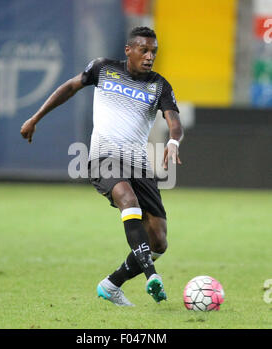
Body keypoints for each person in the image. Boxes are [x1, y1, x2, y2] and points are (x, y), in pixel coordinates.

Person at [20, 26, 184, 306]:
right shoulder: (103, 69)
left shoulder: (159, 85)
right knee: (127, 200)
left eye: (153, 52)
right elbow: (69, 87)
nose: (149, 57)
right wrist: (35, 118)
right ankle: (151, 276)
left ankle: (111, 285)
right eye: (144, 50)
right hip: (103, 157)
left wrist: (173, 142)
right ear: (128, 50)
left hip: (139, 164)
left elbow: (174, 122)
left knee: (159, 241)